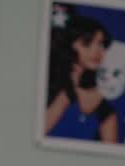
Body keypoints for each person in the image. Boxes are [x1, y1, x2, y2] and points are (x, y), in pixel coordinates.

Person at [44, 10, 119, 143]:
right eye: (87, 42)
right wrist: (67, 94)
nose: (97, 51)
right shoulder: (49, 84)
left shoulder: (102, 104)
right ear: (71, 44)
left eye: (101, 44)